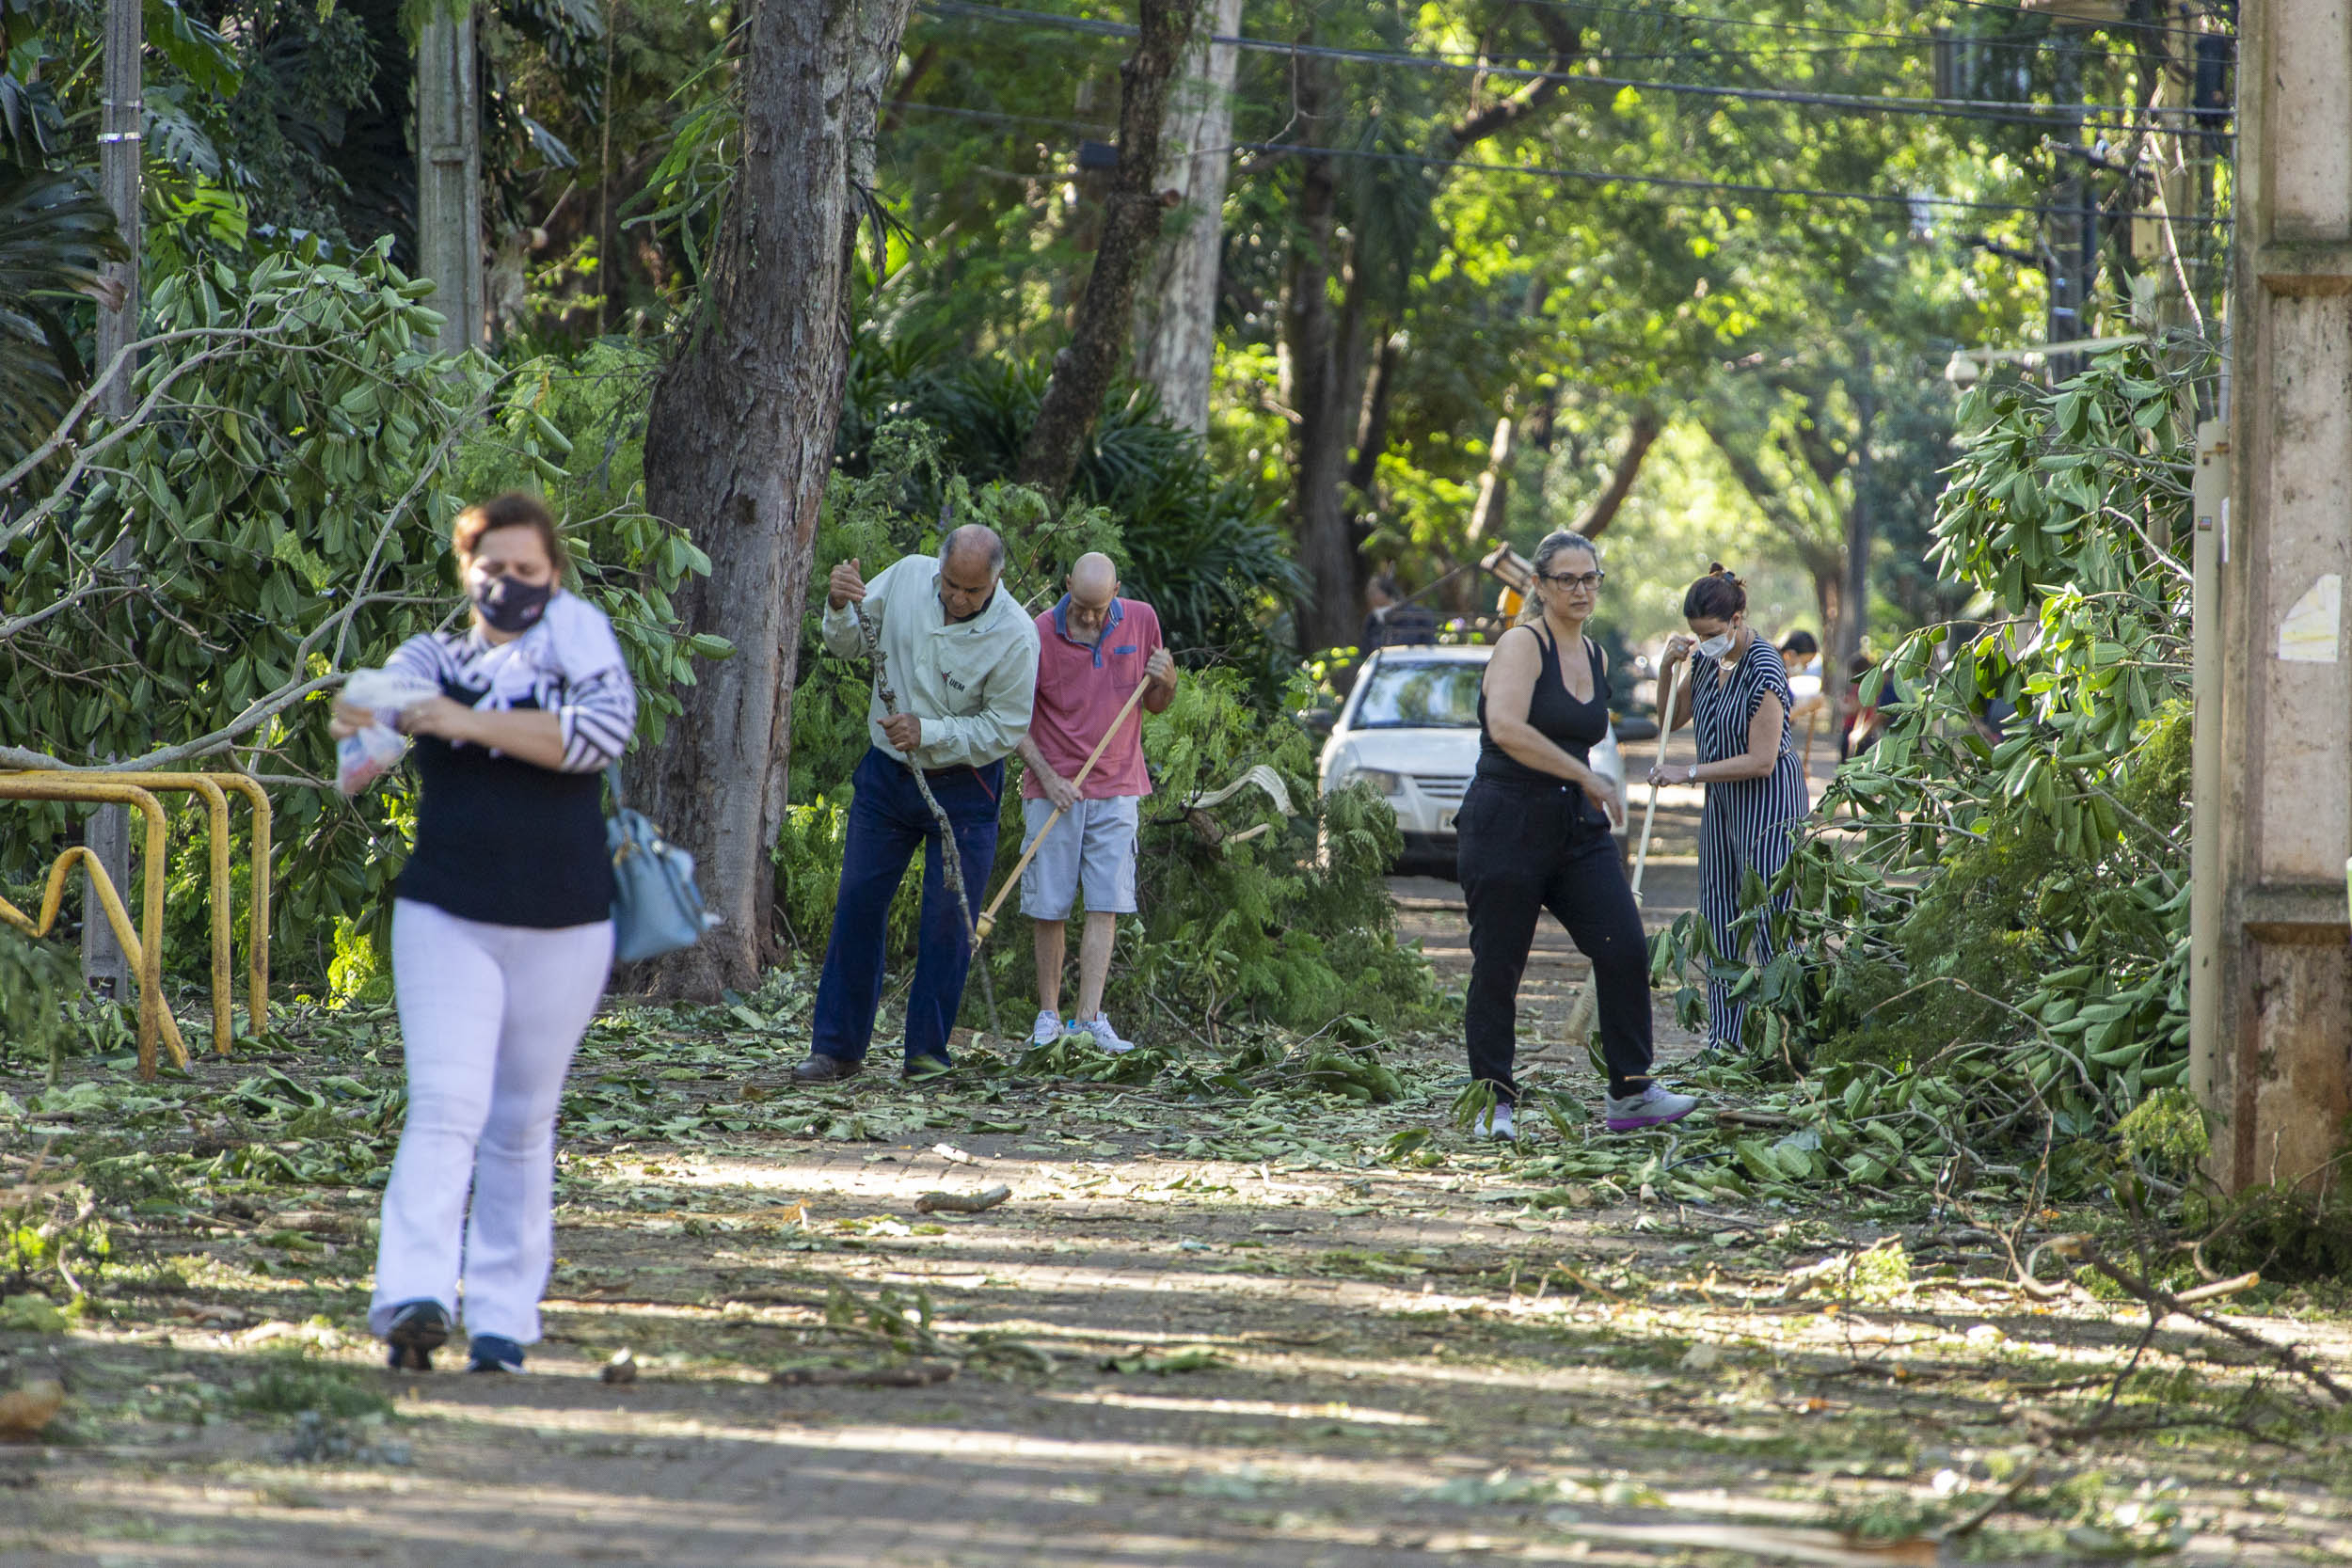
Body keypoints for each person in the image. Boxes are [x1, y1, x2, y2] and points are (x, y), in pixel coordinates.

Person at [333, 492, 639, 1374]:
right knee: (446, 1107)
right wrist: (369, 715)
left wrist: (462, 720)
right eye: (492, 568)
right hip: (447, 912)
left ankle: (503, 1319)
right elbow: (355, 756)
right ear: (466, 570)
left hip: (566, 919)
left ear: (555, 577)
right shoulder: (433, 654)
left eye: (527, 571)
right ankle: (412, 1298)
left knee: (521, 1120)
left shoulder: (581, 649)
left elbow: (597, 735)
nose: (508, 585)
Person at [1455, 531, 1698, 1139]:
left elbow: (1658, 720)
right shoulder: (1522, 645)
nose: (1582, 589)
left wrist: (1672, 670)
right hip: (1507, 818)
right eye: (1568, 579)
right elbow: (1506, 727)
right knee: (1499, 965)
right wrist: (1585, 775)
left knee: (1623, 946)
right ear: (1539, 586)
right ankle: (1495, 1101)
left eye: (1591, 577)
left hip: (1574, 826)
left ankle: (1632, 1092)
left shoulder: (1594, 655)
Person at [794, 526, 1041, 1085]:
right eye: (951, 584)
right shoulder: (906, 577)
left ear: (995, 581)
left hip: (965, 788)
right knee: (857, 904)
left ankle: (927, 1056)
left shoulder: (1017, 637)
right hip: (887, 776)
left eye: (972, 593)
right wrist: (839, 604)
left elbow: (1003, 730)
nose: (957, 599)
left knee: (949, 924)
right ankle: (836, 1049)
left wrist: (927, 731)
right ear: (939, 567)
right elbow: (851, 642)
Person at [1015, 553, 1180, 1053]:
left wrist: (1167, 679)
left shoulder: (1142, 619)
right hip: (1053, 790)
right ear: (1066, 585)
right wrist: (1049, 776)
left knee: (1105, 903)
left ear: (1117, 592)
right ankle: (1048, 1018)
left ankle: (1087, 1020)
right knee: (1050, 905)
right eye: (1081, 607)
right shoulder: (1037, 633)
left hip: (1118, 784)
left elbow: (1154, 703)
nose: (1088, 618)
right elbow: (1010, 720)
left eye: (1097, 609)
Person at [1651, 565, 1812, 1057]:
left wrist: (1690, 773)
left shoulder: (1765, 667)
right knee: (1719, 912)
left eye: (1712, 634)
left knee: (1769, 916)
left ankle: (1785, 1038)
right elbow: (1669, 721)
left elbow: (1762, 761)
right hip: (1721, 801)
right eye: (1697, 636)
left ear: (1738, 620)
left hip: (1769, 801)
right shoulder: (1702, 661)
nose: (1703, 643)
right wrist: (1666, 668)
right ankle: (1727, 1039)